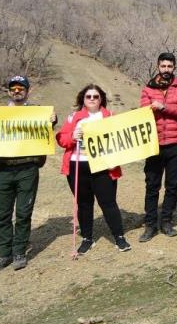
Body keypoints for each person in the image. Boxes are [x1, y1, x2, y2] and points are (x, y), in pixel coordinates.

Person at [0, 76, 57, 274]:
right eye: (13, 88)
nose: (17, 91)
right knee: (2, 213)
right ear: (9, 91)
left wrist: (52, 121)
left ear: (27, 91)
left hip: (28, 168)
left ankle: (19, 252)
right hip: (5, 169)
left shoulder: (36, 112)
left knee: (23, 213)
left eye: (21, 88)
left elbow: (46, 130)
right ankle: (3, 254)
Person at [55, 85, 130, 254]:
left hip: (103, 166)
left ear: (101, 98)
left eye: (95, 96)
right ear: (83, 98)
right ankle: (87, 238)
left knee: (108, 202)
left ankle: (119, 237)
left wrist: (114, 161)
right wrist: (73, 137)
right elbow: (62, 139)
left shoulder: (109, 116)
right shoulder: (74, 117)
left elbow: (120, 143)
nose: (92, 99)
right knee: (83, 203)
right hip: (78, 165)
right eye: (88, 96)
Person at [139, 52, 177, 242]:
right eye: (163, 66)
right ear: (158, 67)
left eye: (170, 66)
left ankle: (167, 221)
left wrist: (163, 107)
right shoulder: (147, 89)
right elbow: (144, 113)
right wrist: (151, 108)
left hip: (176, 144)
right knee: (152, 185)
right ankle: (150, 224)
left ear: (174, 67)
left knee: (172, 185)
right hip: (154, 144)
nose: (166, 70)